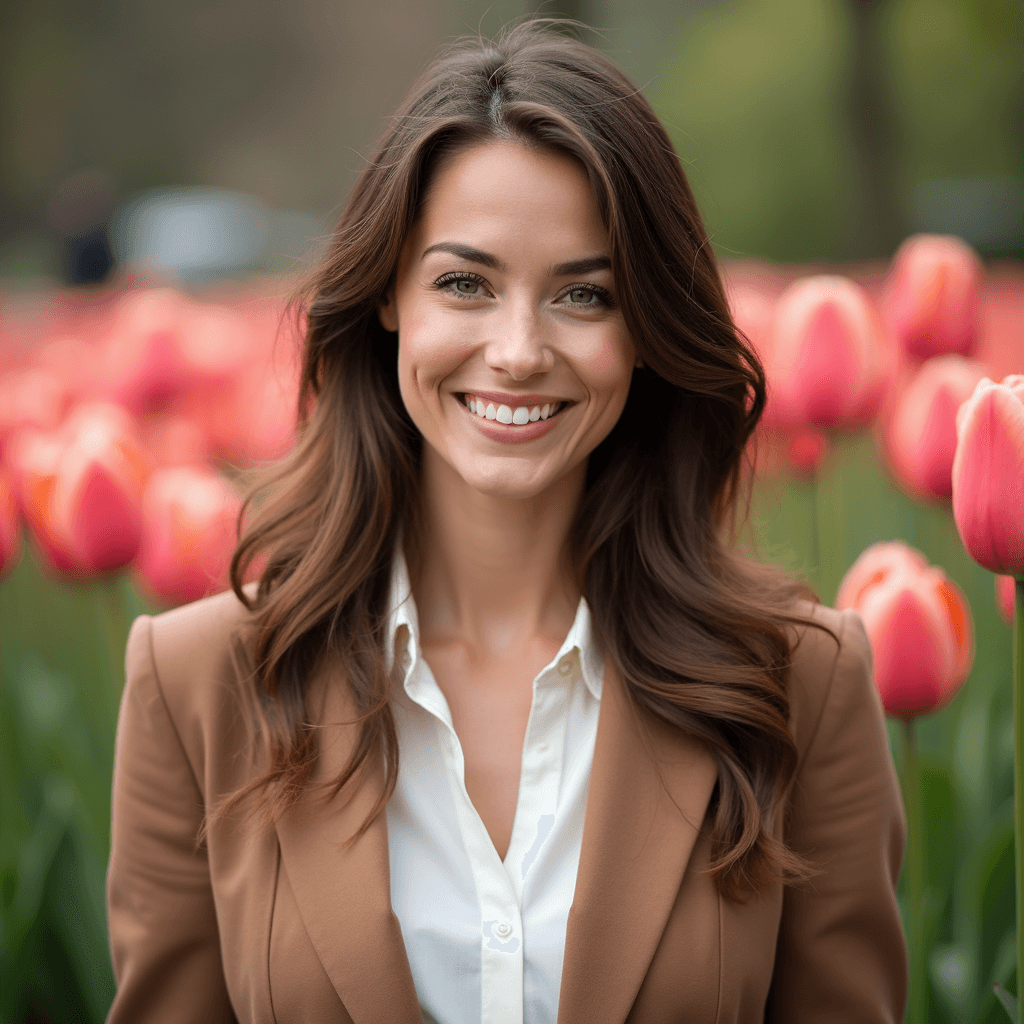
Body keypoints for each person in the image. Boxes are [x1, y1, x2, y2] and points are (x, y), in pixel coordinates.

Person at [105, 20, 907, 1024]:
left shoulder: (799, 685)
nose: (519, 351)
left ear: (647, 333)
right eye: (463, 284)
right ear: (388, 298)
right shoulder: (198, 687)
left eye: (585, 293)